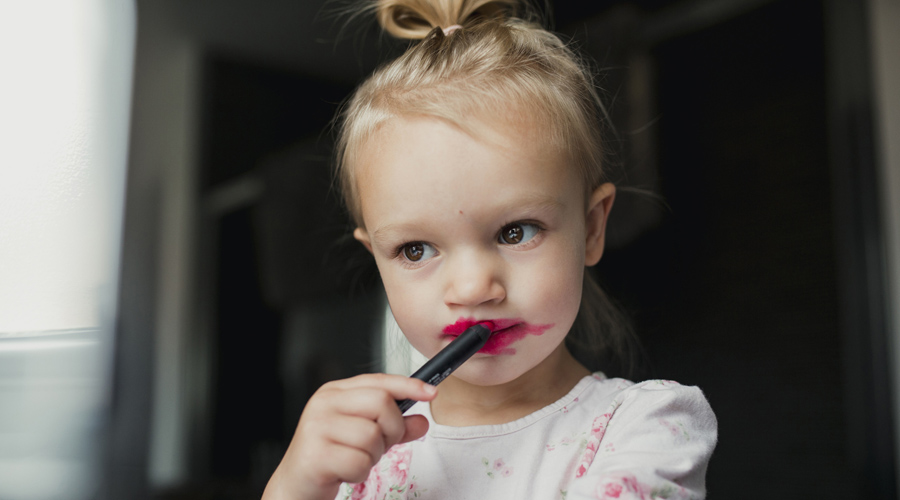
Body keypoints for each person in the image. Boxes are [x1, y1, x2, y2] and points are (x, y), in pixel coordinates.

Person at [263, 0, 717, 498]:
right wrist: (292, 487)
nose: (473, 287)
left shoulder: (648, 431)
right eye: (415, 249)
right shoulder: (361, 463)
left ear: (590, 229)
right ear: (376, 257)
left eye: (516, 231)